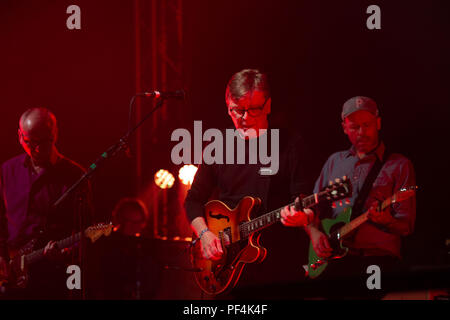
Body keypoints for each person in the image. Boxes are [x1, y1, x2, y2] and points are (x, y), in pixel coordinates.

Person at [184, 69, 312, 296]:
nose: (244, 118)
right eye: (237, 110)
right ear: (227, 105)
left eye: (253, 109)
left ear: (268, 105)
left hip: (279, 265)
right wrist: (204, 234)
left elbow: (304, 198)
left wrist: (303, 216)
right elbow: (193, 200)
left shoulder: (290, 144)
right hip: (227, 269)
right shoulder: (217, 147)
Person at [281, 96, 416, 299]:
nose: (361, 132)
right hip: (335, 263)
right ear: (344, 127)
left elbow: (406, 226)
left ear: (378, 123)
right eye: (354, 127)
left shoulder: (399, 165)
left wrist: (385, 219)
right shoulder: (334, 162)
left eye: (367, 125)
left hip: (377, 261)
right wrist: (314, 234)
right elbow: (314, 211)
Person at [0, 107, 93, 299]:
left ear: (55, 134)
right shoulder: (7, 171)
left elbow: (87, 231)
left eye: (45, 141)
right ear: (19, 135)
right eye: (31, 142)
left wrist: (65, 252)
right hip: (9, 276)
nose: (39, 149)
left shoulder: (75, 177)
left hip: (50, 276)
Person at [96, 197, 160, 299]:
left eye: (138, 222)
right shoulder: (108, 243)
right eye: (129, 221)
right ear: (120, 220)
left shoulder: (145, 246)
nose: (134, 226)